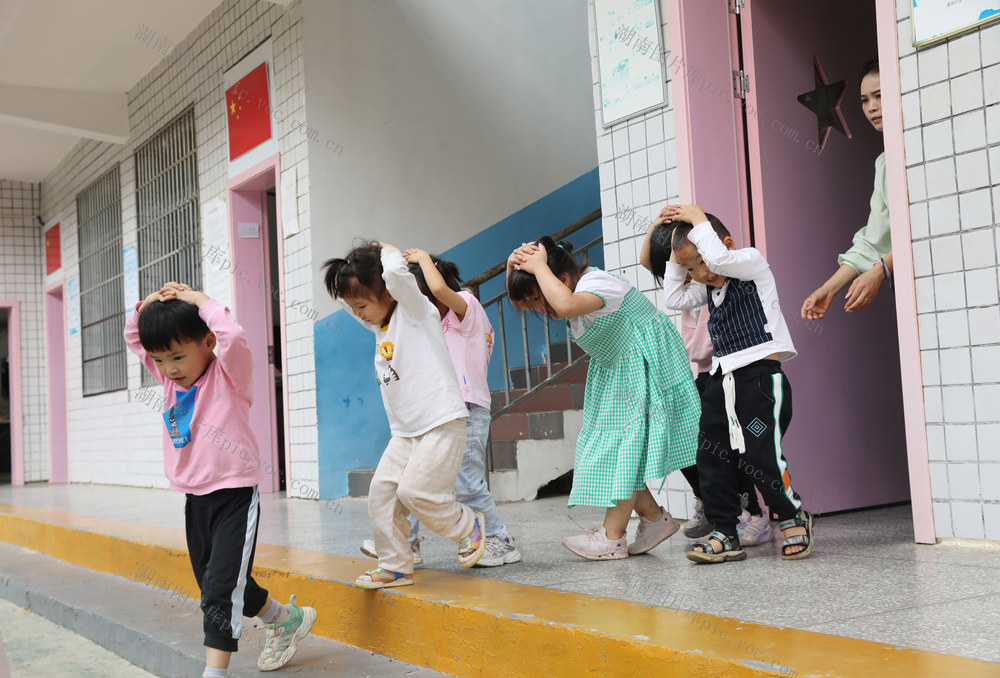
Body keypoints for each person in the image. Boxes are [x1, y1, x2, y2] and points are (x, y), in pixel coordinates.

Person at [124, 282, 316, 677]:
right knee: (218, 583)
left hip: (234, 496)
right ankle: (285, 619)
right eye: (160, 360)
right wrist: (148, 305)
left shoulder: (229, 375)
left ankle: (215, 672)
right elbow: (133, 337)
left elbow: (233, 335)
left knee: (220, 590)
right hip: (195, 499)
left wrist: (198, 300)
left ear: (208, 343)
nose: (169, 368)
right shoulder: (170, 381)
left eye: (178, 357)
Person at [506, 236, 700, 560]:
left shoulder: (597, 284)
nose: (540, 308)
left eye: (538, 300)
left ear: (561, 279)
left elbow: (564, 304)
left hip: (646, 365)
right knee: (613, 450)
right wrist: (515, 264)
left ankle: (612, 537)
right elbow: (537, 302)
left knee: (625, 450)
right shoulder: (577, 292)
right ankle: (654, 519)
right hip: (620, 373)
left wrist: (539, 268)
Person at [655, 205, 815, 563]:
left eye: (701, 261)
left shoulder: (750, 263)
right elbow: (674, 298)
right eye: (691, 268)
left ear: (725, 244)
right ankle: (726, 530)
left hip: (759, 377)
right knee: (710, 456)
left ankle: (792, 516)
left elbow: (720, 260)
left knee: (760, 454)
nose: (701, 273)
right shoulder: (708, 287)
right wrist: (677, 255)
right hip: (720, 379)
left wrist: (697, 218)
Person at [322, 242, 486, 588]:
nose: (359, 314)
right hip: (406, 433)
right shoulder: (379, 326)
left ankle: (466, 526)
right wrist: (350, 277)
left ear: (389, 293)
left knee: (415, 492)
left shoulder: (415, 311)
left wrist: (385, 249)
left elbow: (396, 273)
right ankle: (396, 566)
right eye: (353, 308)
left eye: (363, 305)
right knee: (382, 495)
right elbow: (359, 300)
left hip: (441, 422)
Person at [359, 249, 521, 567]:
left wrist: (420, 259)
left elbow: (438, 289)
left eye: (421, 299)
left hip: (467, 408)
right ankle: (405, 543)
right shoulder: (424, 325)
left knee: (465, 481)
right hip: (434, 410)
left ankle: (498, 540)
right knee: (411, 476)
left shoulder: (466, 307)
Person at [640, 210, 773, 547]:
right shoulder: (693, 282)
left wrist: (695, 221)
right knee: (698, 447)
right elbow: (649, 265)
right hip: (702, 374)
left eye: (694, 263)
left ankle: (752, 514)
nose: (692, 273)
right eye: (683, 267)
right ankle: (714, 505)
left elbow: (715, 257)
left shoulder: (720, 276)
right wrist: (660, 230)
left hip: (729, 369)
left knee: (739, 451)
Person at [802, 57, 892, 320]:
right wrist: (828, 289)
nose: (872, 107)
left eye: (879, 96)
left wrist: (881, 270)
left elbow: (923, 230)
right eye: (865, 100)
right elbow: (873, 240)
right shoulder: (885, 163)